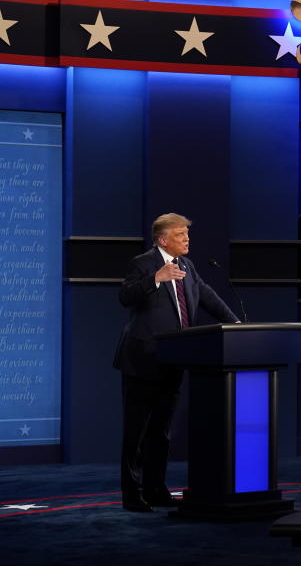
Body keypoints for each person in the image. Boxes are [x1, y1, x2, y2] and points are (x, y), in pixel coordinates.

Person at [113, 213, 239, 512]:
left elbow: (205, 295)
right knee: (137, 432)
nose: (187, 239)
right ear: (163, 239)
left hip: (175, 359)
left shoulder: (187, 266)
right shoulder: (143, 263)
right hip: (142, 360)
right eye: (181, 235)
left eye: (187, 234)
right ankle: (132, 494)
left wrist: (234, 323)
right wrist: (155, 278)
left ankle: (155, 489)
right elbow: (125, 296)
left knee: (161, 431)